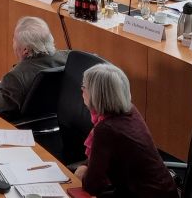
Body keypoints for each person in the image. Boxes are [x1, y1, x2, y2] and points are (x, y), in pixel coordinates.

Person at [74, 63, 177, 198]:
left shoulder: (106, 129)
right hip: (161, 190)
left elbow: (93, 186)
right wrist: (86, 166)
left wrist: (83, 172)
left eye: (84, 87)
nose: (82, 90)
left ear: (97, 94)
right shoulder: (130, 111)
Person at [0, 17, 67, 118]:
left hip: (23, 124)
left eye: (14, 39)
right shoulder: (68, 58)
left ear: (25, 50)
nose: (13, 42)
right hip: (57, 119)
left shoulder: (15, 78)